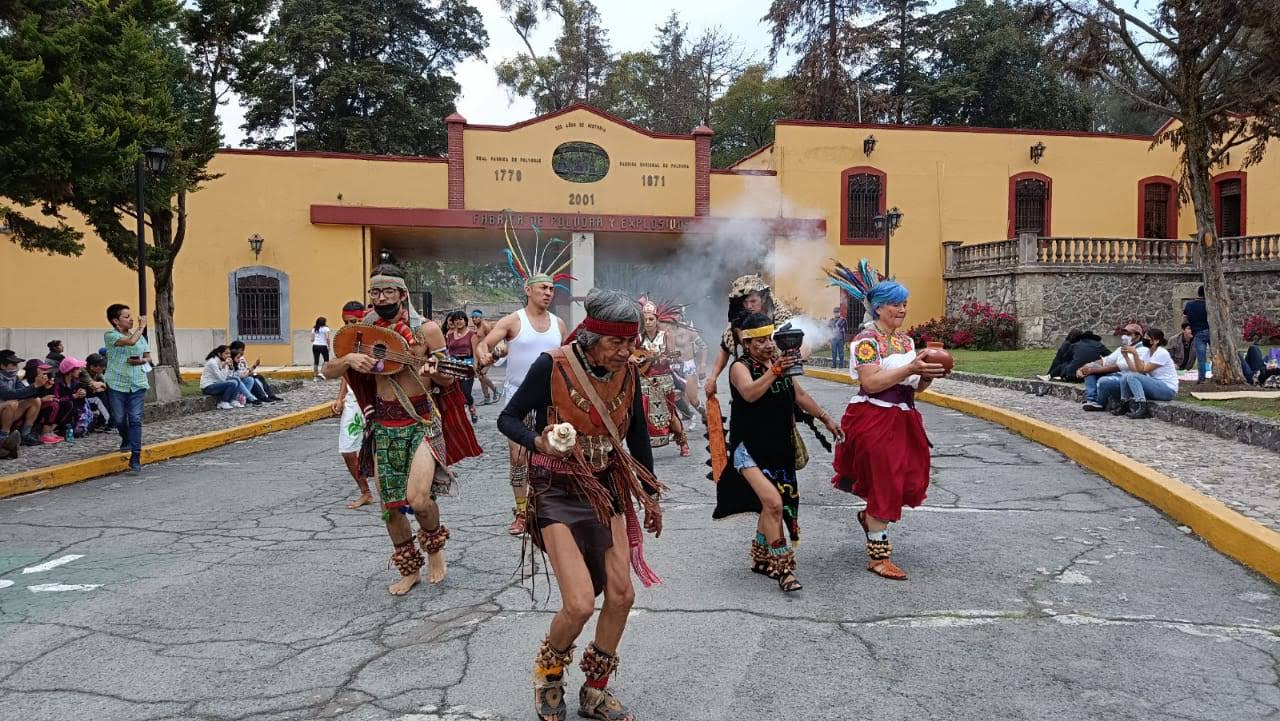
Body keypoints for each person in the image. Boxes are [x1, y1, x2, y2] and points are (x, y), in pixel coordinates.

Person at [496, 288, 663, 721]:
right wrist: (538, 440)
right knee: (580, 604)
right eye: (616, 343)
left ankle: (596, 690)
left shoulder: (630, 372)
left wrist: (649, 495)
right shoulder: (552, 366)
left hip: (608, 486)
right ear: (590, 337)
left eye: (631, 343)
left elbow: (638, 435)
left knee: (622, 595)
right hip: (557, 488)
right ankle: (549, 675)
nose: (627, 352)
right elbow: (506, 419)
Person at [323, 266, 460, 596]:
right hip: (384, 426)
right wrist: (350, 360)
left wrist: (435, 370)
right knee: (391, 508)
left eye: (387, 292)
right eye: (375, 293)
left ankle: (435, 549)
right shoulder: (362, 333)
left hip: (422, 423)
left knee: (419, 499)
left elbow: (450, 378)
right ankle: (409, 570)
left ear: (402, 295)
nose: (380, 298)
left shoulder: (427, 330)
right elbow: (328, 370)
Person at [827, 260, 948, 580]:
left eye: (905, 303)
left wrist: (929, 374)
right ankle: (878, 556)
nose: (902, 309)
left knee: (904, 478)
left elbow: (915, 388)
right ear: (878, 308)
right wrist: (911, 369)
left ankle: (871, 518)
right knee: (884, 481)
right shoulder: (866, 342)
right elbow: (871, 383)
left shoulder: (907, 342)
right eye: (896, 304)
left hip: (904, 417)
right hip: (874, 417)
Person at [712, 312, 843, 593]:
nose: (767, 345)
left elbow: (799, 395)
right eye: (759, 341)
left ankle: (760, 557)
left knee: (772, 504)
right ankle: (783, 568)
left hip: (778, 445)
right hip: (748, 448)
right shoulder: (740, 367)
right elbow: (749, 393)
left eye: (769, 338)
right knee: (772, 503)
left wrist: (825, 418)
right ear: (746, 344)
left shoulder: (778, 362)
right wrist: (775, 371)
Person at [476, 222, 569, 536]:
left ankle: (543, 510)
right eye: (543, 288)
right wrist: (484, 355)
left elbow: (570, 359)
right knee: (518, 457)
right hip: (519, 396)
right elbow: (484, 344)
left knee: (551, 453)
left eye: (551, 289)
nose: (548, 292)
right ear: (528, 289)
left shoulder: (559, 323)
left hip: (553, 399)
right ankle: (520, 512)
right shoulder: (513, 320)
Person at [703, 274, 798, 399]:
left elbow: (800, 344)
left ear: (763, 299)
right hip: (749, 376)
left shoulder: (778, 316)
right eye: (745, 302)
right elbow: (725, 348)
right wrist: (712, 378)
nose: (749, 306)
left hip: (779, 375)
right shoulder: (738, 322)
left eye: (753, 301)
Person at [332, 301, 374, 509]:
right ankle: (365, 492)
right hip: (353, 400)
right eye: (348, 322)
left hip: (376, 399)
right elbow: (344, 373)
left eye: (356, 321)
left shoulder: (376, 337)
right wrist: (340, 398)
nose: (352, 325)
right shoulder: (344, 342)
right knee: (347, 450)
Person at [637, 299, 691, 456]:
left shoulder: (666, 335)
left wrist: (667, 359)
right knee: (642, 415)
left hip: (664, 380)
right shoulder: (638, 338)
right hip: (645, 381)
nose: (648, 322)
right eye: (645, 319)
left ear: (656, 319)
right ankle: (641, 448)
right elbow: (631, 355)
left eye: (651, 319)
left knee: (670, 414)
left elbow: (674, 356)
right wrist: (637, 359)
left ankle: (683, 443)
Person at [104, 303, 151, 473]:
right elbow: (130, 342)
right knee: (118, 418)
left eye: (131, 316)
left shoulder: (140, 337)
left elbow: (148, 356)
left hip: (138, 383)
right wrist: (142, 326)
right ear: (116, 321)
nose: (131, 319)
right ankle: (126, 438)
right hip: (117, 383)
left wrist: (142, 361)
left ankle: (136, 456)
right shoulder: (110, 335)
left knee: (135, 419)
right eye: (126, 317)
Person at [1078, 324, 1147, 412]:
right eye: (1124, 333)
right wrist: (1084, 367)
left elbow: (1118, 367)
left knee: (1104, 380)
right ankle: (1091, 400)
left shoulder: (1142, 350)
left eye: (1128, 334)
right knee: (1089, 372)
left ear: (1137, 336)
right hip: (1115, 376)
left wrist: (1091, 370)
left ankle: (1100, 403)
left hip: (1126, 380)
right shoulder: (1121, 348)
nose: (1124, 336)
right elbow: (1105, 361)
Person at [1116, 328, 1179, 419]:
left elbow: (1144, 370)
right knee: (1125, 376)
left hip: (1167, 390)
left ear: (1156, 341)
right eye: (1144, 337)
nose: (1145, 339)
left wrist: (1135, 354)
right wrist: (1126, 357)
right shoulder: (1147, 352)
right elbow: (1136, 370)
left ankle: (1142, 408)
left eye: (1148, 338)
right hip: (1155, 385)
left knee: (1132, 377)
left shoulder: (1162, 353)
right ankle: (1125, 404)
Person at [0, 349, 46, 456]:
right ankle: (3, 437)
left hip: (7, 413)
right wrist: (34, 385)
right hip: (4, 408)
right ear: (2, 365)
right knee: (11, 403)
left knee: (35, 400)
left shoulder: (14, 378)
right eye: (13, 364)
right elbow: (10, 394)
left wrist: (41, 385)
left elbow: (24, 392)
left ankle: (26, 434)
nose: (16, 367)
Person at [444, 310, 480, 423]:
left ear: (465, 321)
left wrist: (475, 367)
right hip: (453, 365)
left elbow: (475, 352)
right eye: (456, 319)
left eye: (460, 319)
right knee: (455, 391)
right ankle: (460, 416)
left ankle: (472, 408)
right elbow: (448, 351)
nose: (458, 321)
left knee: (465, 392)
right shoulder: (449, 335)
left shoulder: (472, 334)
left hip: (467, 365)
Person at [54, 357, 90, 441]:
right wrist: (73, 396)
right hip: (61, 414)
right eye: (77, 369)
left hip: (73, 413)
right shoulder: (57, 383)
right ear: (70, 371)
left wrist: (82, 393)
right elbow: (56, 400)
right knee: (68, 404)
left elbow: (78, 397)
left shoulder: (75, 382)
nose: (80, 371)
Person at [470, 309, 500, 405]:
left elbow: (493, 339)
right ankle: (486, 397)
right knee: (480, 376)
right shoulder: (476, 328)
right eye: (473, 317)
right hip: (481, 355)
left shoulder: (485, 326)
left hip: (488, 355)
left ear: (481, 317)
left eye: (476, 317)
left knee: (482, 374)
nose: (474, 319)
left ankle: (496, 391)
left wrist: (491, 354)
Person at [1183, 286, 1210, 383]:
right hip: (1211, 331)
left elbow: (1185, 318)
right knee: (1216, 355)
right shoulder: (1210, 304)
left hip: (1198, 332)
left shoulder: (1189, 305)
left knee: (1201, 357)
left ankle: (1201, 378)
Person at [79, 353, 112, 433]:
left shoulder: (98, 372)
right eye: (101, 366)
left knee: (108, 393)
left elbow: (104, 385)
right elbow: (94, 385)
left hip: (92, 394)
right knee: (101, 395)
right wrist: (101, 385)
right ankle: (107, 422)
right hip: (82, 398)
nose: (103, 368)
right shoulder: (83, 371)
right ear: (92, 366)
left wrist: (101, 385)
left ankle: (104, 422)